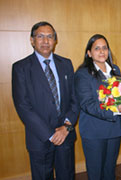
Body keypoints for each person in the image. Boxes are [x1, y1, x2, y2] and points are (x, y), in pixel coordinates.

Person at [12, 21, 79, 180]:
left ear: (55, 40)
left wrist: (66, 127)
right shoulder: (21, 68)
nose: (45, 41)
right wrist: (50, 134)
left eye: (50, 37)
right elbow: (23, 106)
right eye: (40, 36)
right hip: (39, 137)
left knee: (67, 175)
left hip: (65, 136)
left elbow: (74, 100)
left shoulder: (66, 64)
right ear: (32, 40)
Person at [75, 34, 121, 180]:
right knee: (96, 173)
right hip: (93, 131)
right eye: (97, 48)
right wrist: (116, 110)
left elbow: (120, 95)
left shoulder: (115, 70)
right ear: (89, 53)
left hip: (114, 129)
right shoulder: (82, 74)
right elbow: (87, 104)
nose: (102, 52)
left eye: (104, 48)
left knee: (109, 171)